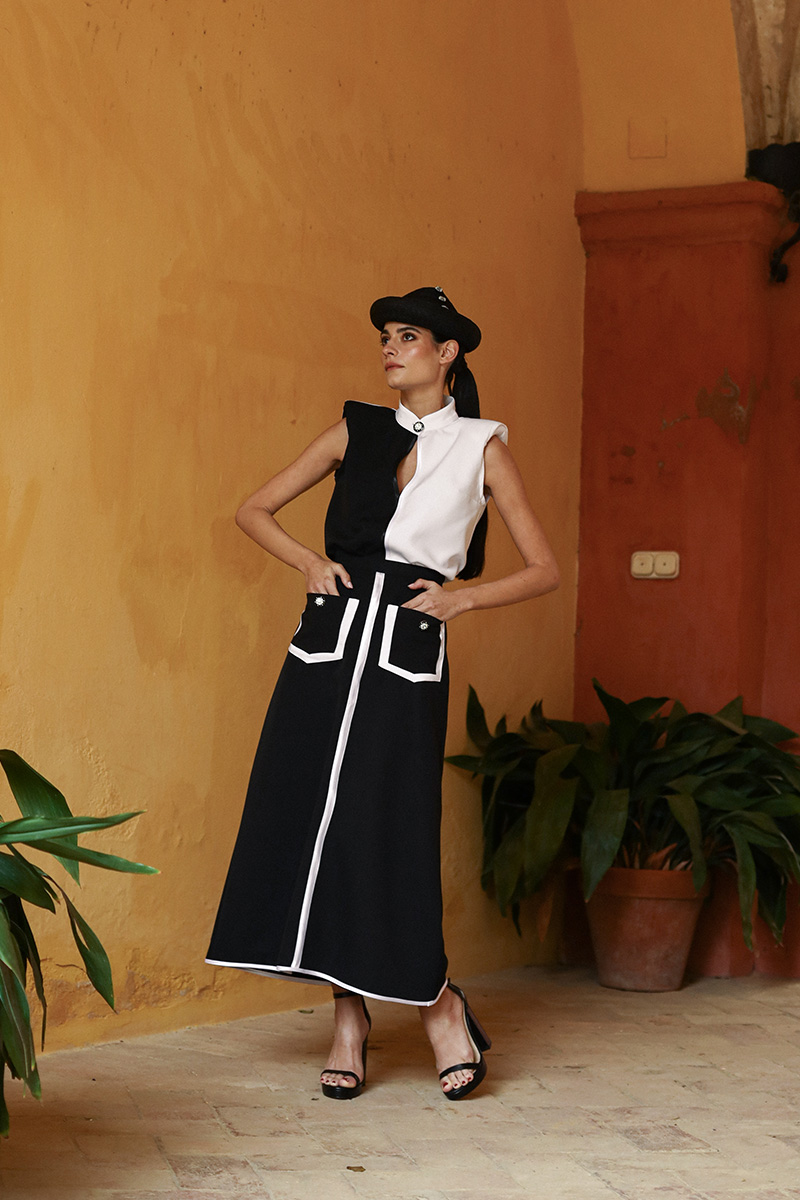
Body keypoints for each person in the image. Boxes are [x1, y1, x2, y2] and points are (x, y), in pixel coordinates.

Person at [206, 286, 559, 1101]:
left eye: (408, 337)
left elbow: (544, 569)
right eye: (386, 338)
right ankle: (348, 1023)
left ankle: (438, 1005)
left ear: (447, 353)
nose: (391, 350)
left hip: (405, 652)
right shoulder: (354, 429)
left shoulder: (481, 446)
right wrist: (308, 562)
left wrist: (463, 598)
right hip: (327, 646)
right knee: (314, 821)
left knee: (384, 824)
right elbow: (253, 509)